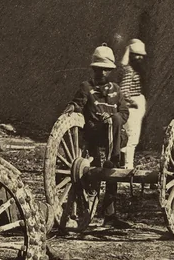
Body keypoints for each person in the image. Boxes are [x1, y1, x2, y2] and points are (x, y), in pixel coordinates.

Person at [59, 45, 130, 229]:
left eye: (106, 69)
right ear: (94, 69)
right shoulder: (86, 87)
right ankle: (84, 212)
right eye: (99, 68)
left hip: (114, 138)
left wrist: (114, 120)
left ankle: (110, 215)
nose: (102, 72)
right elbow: (77, 104)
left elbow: (124, 112)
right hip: (95, 136)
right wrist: (69, 111)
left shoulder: (116, 90)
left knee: (113, 164)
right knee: (106, 168)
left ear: (110, 70)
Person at [117, 39, 147, 170]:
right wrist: (132, 102)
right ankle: (128, 166)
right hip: (132, 105)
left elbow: (122, 64)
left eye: (141, 55)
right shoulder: (129, 71)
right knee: (132, 136)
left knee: (128, 135)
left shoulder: (129, 69)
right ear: (131, 55)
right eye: (136, 54)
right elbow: (123, 91)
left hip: (134, 102)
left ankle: (123, 163)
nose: (140, 58)